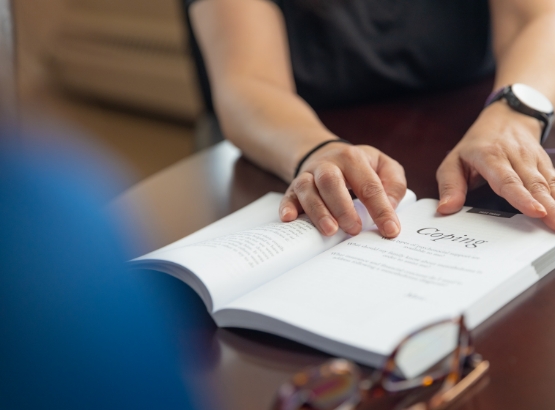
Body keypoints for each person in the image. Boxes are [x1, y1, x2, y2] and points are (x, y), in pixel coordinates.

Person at [184, 0, 555, 239]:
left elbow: (539, 17)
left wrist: (515, 111)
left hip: (471, 121)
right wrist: (318, 149)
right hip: (290, 139)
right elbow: (247, 84)